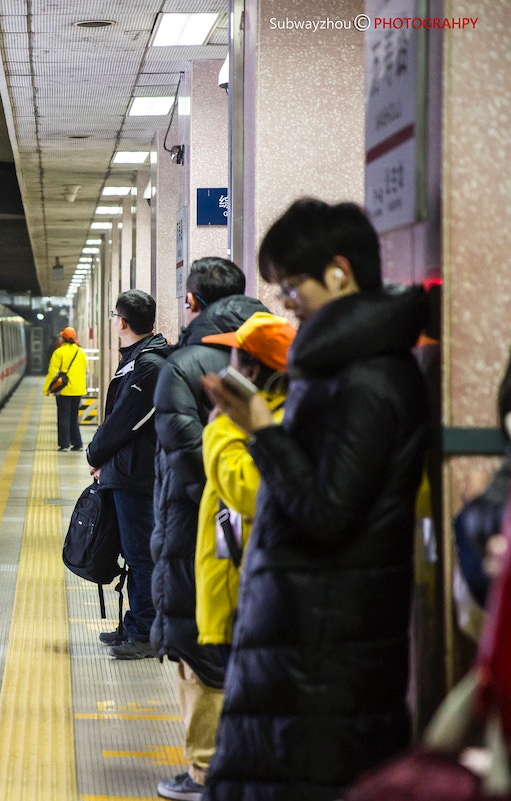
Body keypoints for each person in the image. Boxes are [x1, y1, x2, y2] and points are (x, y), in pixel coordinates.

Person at [201, 198, 430, 801]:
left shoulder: (370, 379)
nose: (285, 302)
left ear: (339, 271)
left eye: (290, 285)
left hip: (325, 658)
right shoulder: (339, 369)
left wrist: (263, 429)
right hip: (308, 644)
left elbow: (328, 514)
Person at [150, 257, 268, 801]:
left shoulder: (183, 364)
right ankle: (242, 758)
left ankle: (204, 770)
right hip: (264, 519)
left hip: (203, 527)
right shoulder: (273, 356)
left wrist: (214, 504)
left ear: (191, 302)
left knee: (197, 645)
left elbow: (183, 455)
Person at [194, 312, 295, 672]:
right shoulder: (272, 417)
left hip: (246, 600)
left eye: (233, 357)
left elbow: (250, 490)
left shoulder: (276, 423)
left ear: (249, 371)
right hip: (243, 595)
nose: (226, 366)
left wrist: (219, 429)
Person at [86, 290, 172, 656]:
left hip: (137, 474)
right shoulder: (139, 359)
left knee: (141, 553)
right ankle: (136, 624)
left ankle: (146, 633)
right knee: (133, 552)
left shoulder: (149, 365)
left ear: (121, 321)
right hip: (127, 470)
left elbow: (125, 420)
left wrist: (95, 453)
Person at [43, 326, 88, 451]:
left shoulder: (59, 352)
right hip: (78, 390)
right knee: (73, 417)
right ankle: (77, 444)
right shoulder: (81, 352)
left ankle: (64, 444)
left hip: (64, 390)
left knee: (63, 417)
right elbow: (86, 370)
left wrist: (46, 388)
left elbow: (52, 372)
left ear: (63, 338)